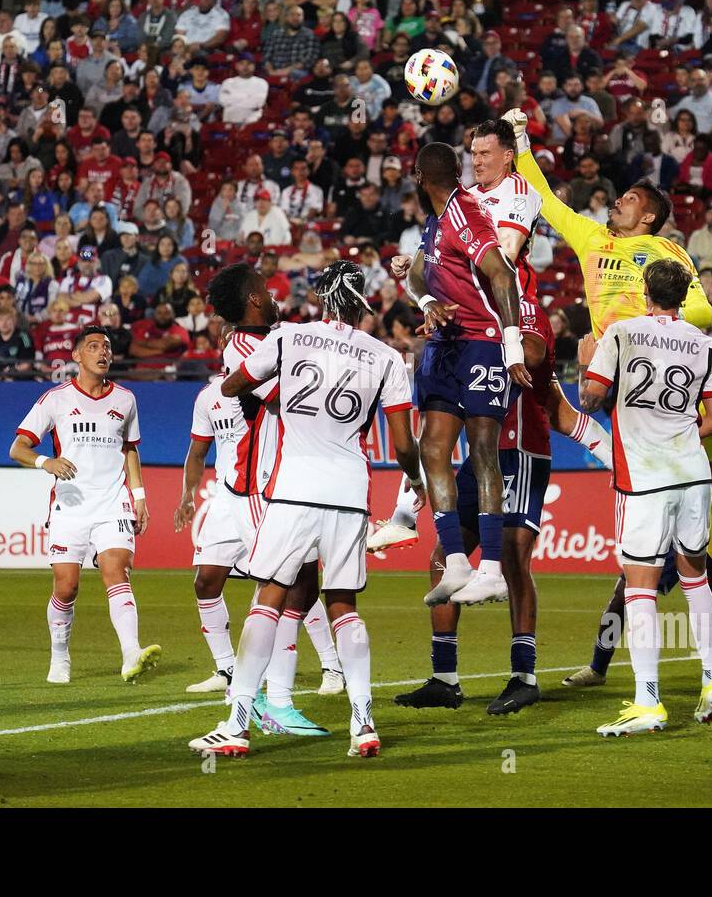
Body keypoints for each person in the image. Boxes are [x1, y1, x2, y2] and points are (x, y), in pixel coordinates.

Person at [503, 106, 712, 692]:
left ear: (647, 214)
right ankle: (663, 667)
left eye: (626, 198)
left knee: (691, 547)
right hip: (627, 393)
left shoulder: (669, 255)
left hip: (666, 386)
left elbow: (698, 311)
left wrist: (624, 326)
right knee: (653, 569)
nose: (614, 201)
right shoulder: (592, 238)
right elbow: (543, 200)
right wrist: (521, 140)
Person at [190, 261, 424, 759]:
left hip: (294, 488)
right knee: (343, 606)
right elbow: (404, 442)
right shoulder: (386, 356)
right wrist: (416, 479)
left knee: (268, 598)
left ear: (320, 296)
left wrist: (269, 399)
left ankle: (237, 724)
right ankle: (363, 723)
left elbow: (230, 386)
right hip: (348, 491)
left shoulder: (289, 338)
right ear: (363, 302)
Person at [176, 262, 331, 733]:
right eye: (265, 288)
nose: (273, 292)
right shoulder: (244, 346)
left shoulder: (274, 334)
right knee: (285, 589)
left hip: (281, 482)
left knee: (299, 588)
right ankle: (262, 704)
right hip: (262, 484)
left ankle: (267, 701)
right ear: (253, 300)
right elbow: (288, 399)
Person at [581, 261, 712, 735]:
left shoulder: (622, 334)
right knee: (696, 579)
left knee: (640, 588)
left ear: (645, 290)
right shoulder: (704, 343)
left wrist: (588, 359)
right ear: (685, 294)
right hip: (692, 475)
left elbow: (589, 399)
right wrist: (680, 434)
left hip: (644, 479)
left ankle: (649, 701)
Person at [401, 141, 531, 606]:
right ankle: (457, 561)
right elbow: (417, 275)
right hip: (444, 347)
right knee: (432, 446)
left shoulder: (465, 214)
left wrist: (512, 346)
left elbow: (502, 275)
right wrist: (427, 301)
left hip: (482, 344)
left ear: (420, 177)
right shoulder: (434, 222)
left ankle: (492, 568)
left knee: (480, 449)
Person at [9, 326, 160, 686]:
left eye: (106, 347)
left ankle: (130, 655)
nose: (102, 352)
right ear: (77, 356)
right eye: (93, 347)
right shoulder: (55, 399)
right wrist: (47, 462)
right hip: (71, 507)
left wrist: (139, 499)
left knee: (116, 573)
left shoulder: (125, 399)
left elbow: (130, 450)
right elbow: (17, 448)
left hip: (113, 504)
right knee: (67, 588)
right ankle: (60, 657)